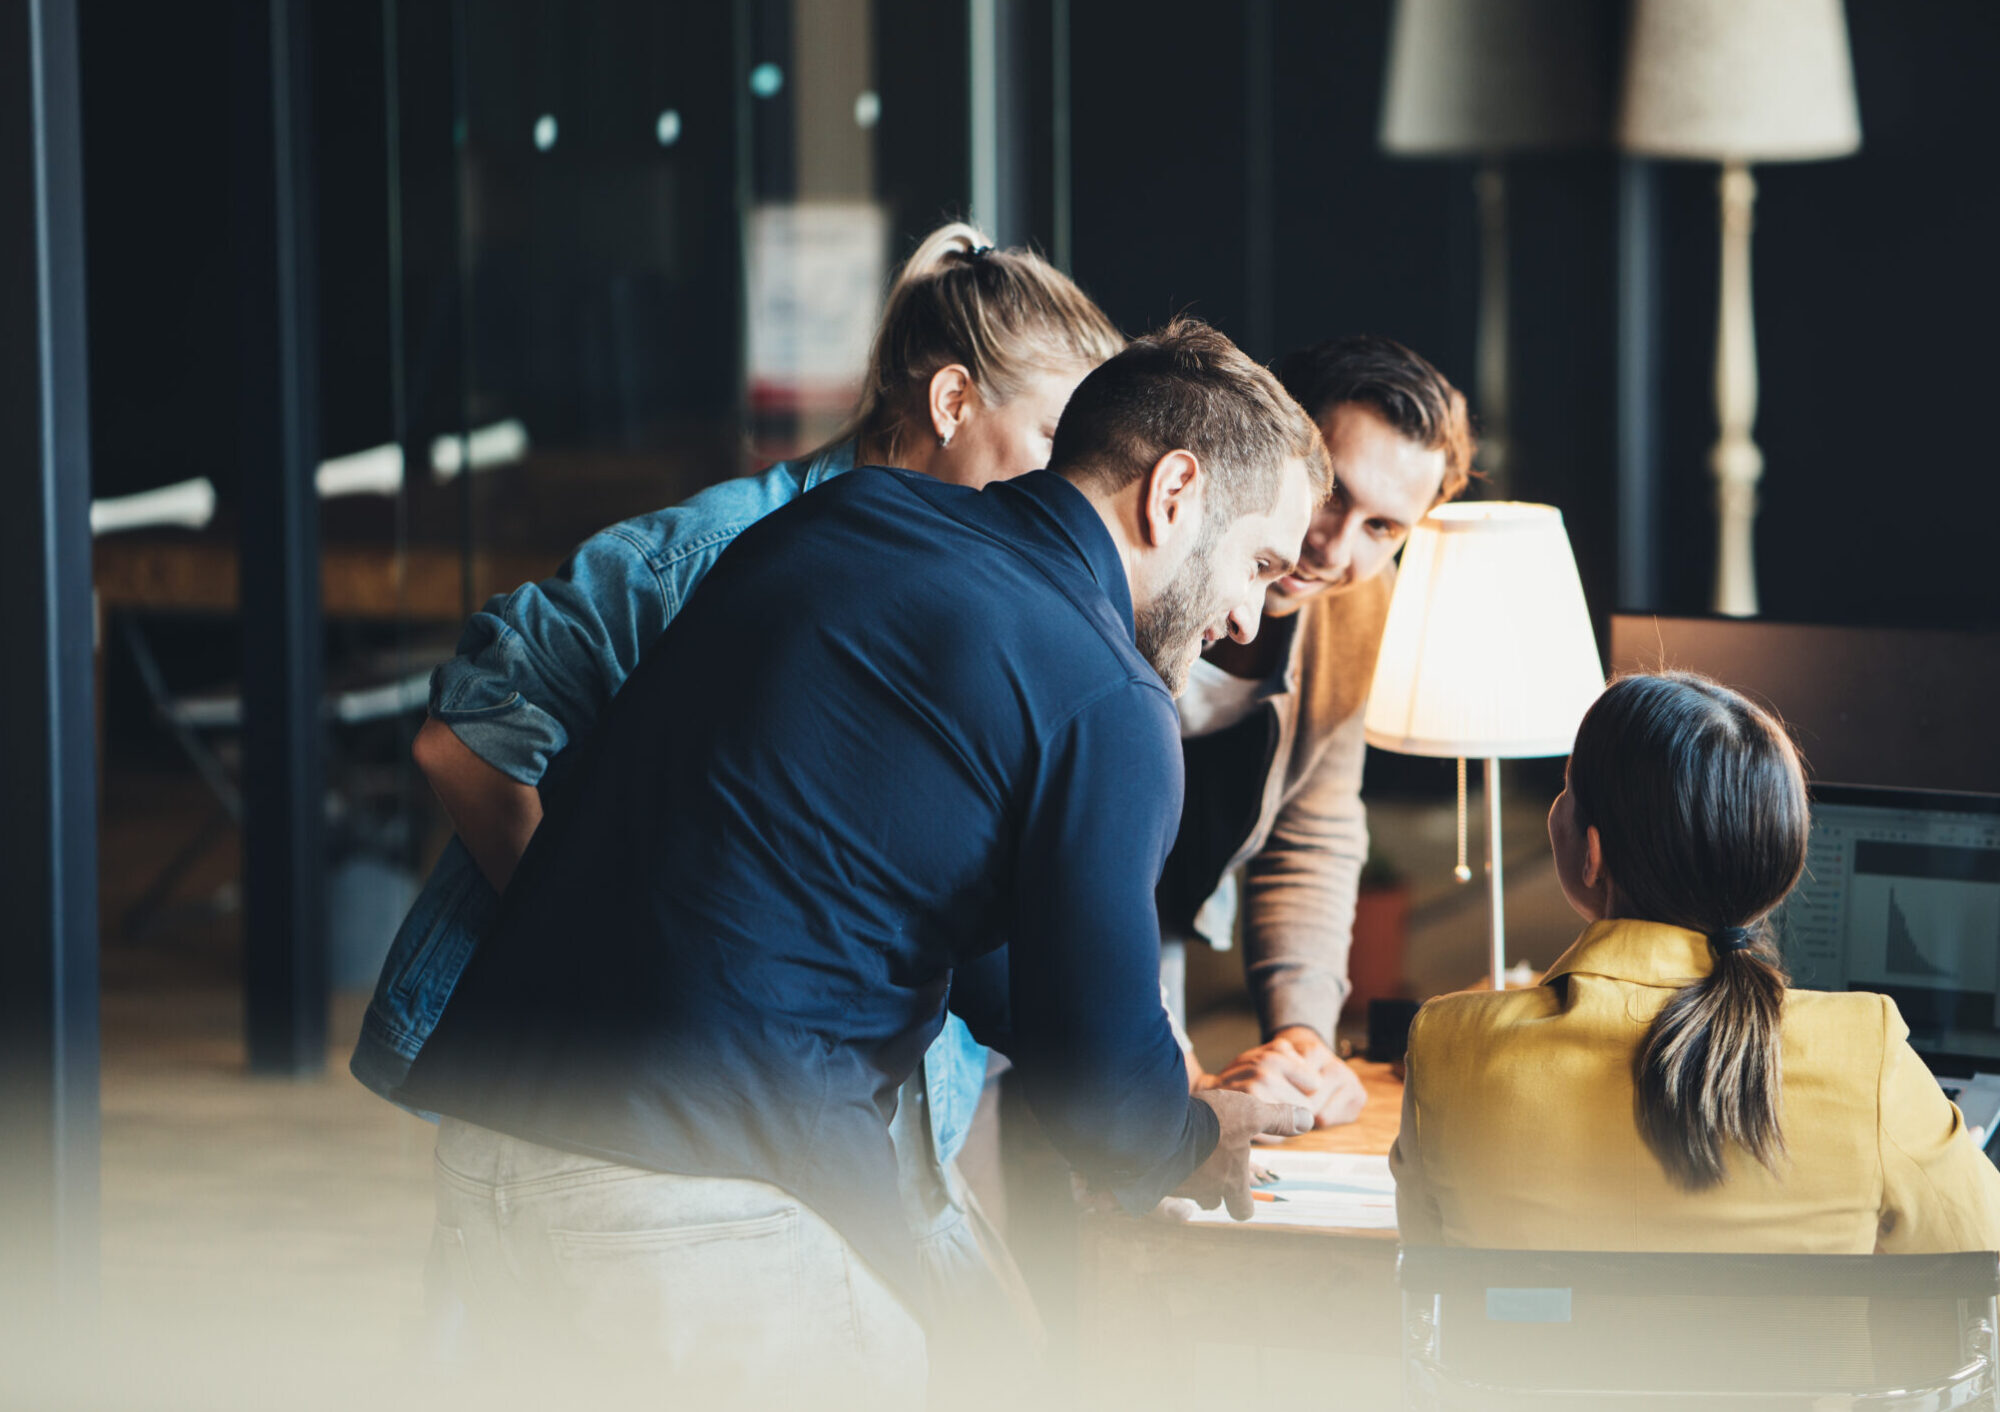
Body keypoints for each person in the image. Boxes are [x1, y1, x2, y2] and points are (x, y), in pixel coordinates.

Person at [396, 319, 1330, 1402]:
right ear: (1173, 490)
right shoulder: (1109, 699)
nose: (1246, 615)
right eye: (1260, 565)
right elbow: (1102, 1102)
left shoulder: (845, 517)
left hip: (494, 1140)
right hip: (705, 1190)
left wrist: (1159, 1110)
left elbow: (906, 902)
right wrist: (1192, 1128)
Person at [349, 223, 1122, 1333]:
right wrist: (621, 952)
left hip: (820, 1104)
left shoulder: (974, 597)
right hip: (594, 1087)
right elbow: (460, 740)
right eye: (1053, 433)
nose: (1073, 482)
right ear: (953, 401)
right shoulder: (713, 552)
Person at [1392, 671, 2000, 1251]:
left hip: (1533, 1366)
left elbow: (1428, 1254)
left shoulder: (1448, 1048)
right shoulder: (1868, 1055)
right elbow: (1981, 1261)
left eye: (1567, 790)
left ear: (1592, 854)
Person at [1159, 335, 1473, 1124]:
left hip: (1161, 909)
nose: (1334, 550)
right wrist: (1168, 1067)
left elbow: (1313, 831)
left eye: (1384, 529)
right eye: (1332, 492)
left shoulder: (1361, 604)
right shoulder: (1149, 551)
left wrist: (1303, 1039)